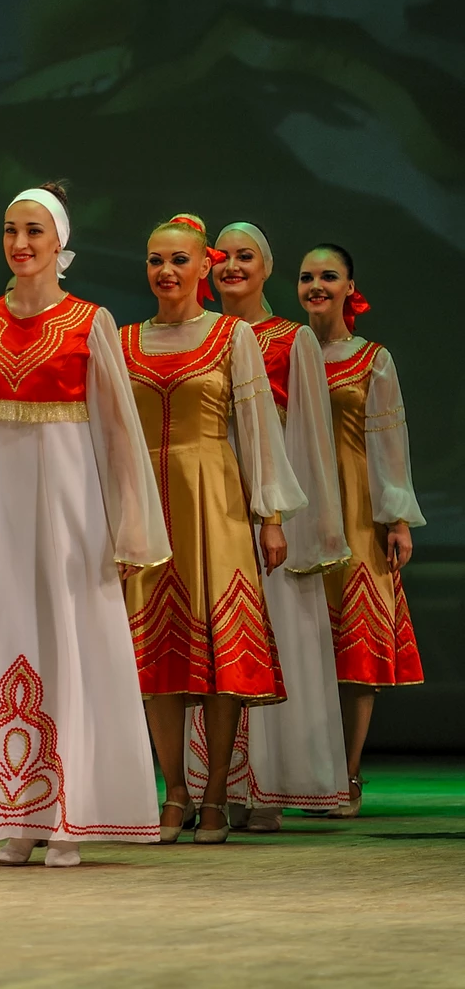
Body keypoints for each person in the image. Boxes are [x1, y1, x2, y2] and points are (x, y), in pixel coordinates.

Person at [0, 183, 168, 868]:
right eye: (10, 231)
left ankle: (70, 812)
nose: (20, 243)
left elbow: (118, 434)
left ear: (59, 243)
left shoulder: (89, 321)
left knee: (71, 638)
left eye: (33, 231)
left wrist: (131, 524)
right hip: (2, 509)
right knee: (10, 631)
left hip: (72, 510)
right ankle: (17, 811)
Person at [122, 213, 305, 845]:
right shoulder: (122, 340)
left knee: (221, 646)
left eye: (179, 260)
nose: (166, 271)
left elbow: (257, 428)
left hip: (216, 501)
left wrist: (271, 516)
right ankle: (174, 790)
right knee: (156, 654)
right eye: (155, 260)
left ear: (205, 265)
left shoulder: (232, 336)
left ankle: (218, 793)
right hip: (146, 506)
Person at [184, 222, 350, 829]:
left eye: (245, 256)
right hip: (208, 499)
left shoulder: (290, 339)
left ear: (266, 267)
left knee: (272, 633)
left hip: (269, 502)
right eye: (222, 256)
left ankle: (268, 786)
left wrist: (295, 521)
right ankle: (213, 784)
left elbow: (309, 437)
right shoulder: (198, 334)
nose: (231, 266)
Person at [299, 243, 424, 818]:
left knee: (354, 655)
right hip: (299, 509)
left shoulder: (372, 359)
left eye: (329, 276)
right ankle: (302, 776)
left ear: (350, 287)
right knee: (301, 649)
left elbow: (388, 442)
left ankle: (347, 775)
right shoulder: (285, 352)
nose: (316, 285)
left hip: (355, 512)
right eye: (307, 276)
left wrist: (396, 518)